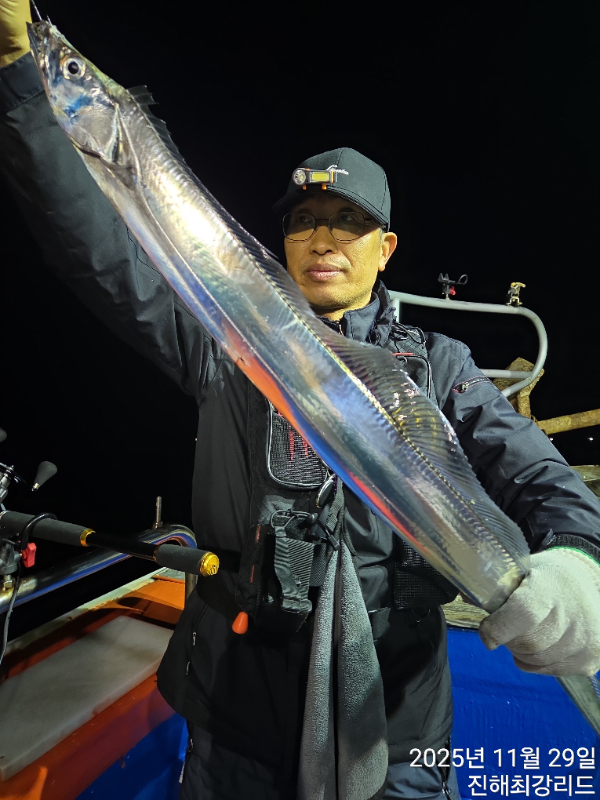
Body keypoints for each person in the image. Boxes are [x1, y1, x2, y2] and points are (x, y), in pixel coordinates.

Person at [1, 4, 600, 798]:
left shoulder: (438, 365)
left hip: (397, 720)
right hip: (235, 714)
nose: (323, 239)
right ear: (283, 243)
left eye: (349, 223)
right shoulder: (228, 351)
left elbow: (534, 472)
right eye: (306, 221)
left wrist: (577, 559)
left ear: (385, 249)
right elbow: (98, 250)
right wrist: (19, 80)